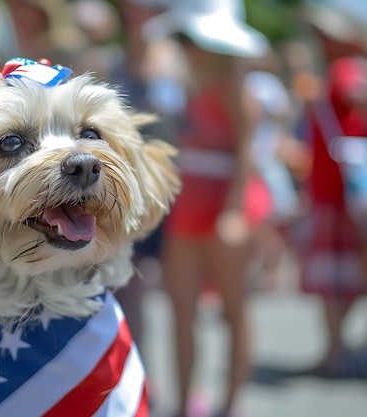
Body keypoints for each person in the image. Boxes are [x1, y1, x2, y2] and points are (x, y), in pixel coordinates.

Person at [143, 1, 269, 416]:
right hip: (189, 207)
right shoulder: (187, 84)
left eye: (193, 39)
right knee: (181, 312)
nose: (188, 47)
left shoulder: (234, 87)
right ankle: (182, 405)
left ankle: (230, 405)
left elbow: (249, 155)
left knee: (234, 310)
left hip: (226, 206)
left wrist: (234, 214)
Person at [297, 0, 367, 378]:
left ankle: (335, 351)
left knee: (335, 279)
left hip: (339, 195)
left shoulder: (342, 71)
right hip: (346, 192)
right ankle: (338, 349)